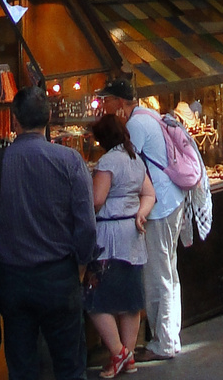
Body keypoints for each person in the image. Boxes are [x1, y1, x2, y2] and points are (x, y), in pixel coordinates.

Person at [0, 85, 97, 380]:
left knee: (22, 367)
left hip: (12, 280)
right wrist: (83, 264)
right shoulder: (69, 161)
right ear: (48, 118)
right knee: (70, 366)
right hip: (60, 277)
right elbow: (86, 225)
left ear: (16, 121)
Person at [101, 78, 186, 362]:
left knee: (158, 275)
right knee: (168, 272)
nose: (104, 106)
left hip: (158, 206)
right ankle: (169, 336)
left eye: (108, 100)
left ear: (121, 102)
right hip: (168, 200)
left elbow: (128, 164)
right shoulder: (147, 115)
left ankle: (164, 341)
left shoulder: (135, 125)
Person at [85, 115, 156, 378]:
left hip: (110, 235)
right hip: (132, 236)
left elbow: (97, 199)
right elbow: (150, 193)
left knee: (94, 297)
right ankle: (129, 355)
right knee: (130, 300)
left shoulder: (108, 161)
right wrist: (140, 213)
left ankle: (118, 352)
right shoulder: (134, 158)